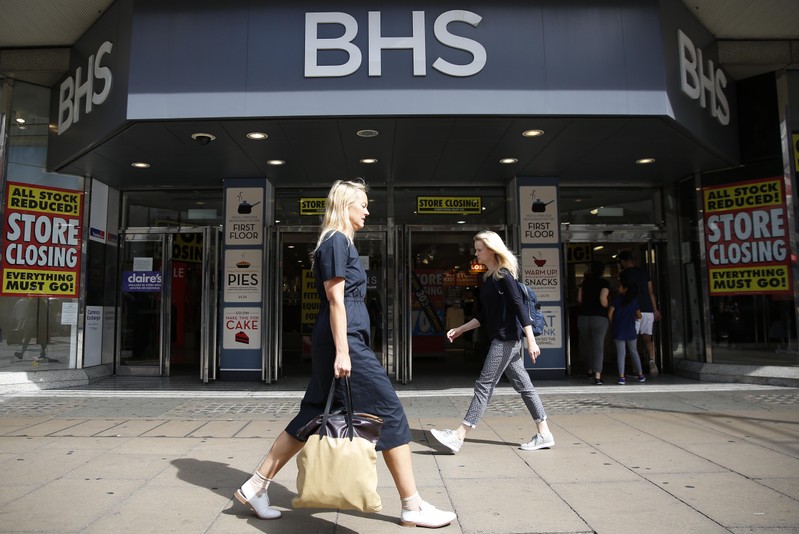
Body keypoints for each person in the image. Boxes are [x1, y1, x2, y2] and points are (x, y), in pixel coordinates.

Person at [235, 179, 456, 529]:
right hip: (346, 339)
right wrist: (344, 351)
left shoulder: (337, 242)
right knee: (391, 412)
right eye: (363, 204)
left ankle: (255, 486)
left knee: (312, 413)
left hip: (342, 337)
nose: (368, 211)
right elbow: (336, 299)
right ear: (345, 205)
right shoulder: (336, 241)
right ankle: (412, 505)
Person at [430, 230, 554, 454]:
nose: (476, 254)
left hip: (506, 340)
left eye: (479, 250)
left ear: (492, 250)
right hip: (505, 339)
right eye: (475, 249)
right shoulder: (488, 278)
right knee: (525, 387)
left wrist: (532, 341)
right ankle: (544, 433)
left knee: (484, 386)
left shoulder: (504, 277)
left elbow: (519, 309)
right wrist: (460, 329)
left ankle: (459, 435)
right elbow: (484, 316)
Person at [617, 250, 660, 376]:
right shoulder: (644, 272)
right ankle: (652, 361)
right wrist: (655, 309)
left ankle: (636, 368)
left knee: (632, 341)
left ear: (624, 261)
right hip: (648, 309)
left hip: (633, 310)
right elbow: (651, 291)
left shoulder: (624, 274)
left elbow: (623, 292)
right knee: (647, 339)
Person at [577, 261, 610, 385]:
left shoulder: (584, 283)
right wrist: (607, 306)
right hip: (599, 317)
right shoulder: (604, 283)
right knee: (598, 346)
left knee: (587, 345)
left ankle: (589, 370)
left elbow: (579, 299)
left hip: (583, 317)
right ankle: (597, 375)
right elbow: (603, 300)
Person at [608, 278, 645, 385]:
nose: (618, 288)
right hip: (630, 329)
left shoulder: (616, 299)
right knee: (634, 351)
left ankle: (621, 377)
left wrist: (612, 324)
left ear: (625, 288)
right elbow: (639, 316)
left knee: (621, 353)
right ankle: (641, 375)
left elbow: (610, 313)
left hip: (618, 329)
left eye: (619, 286)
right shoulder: (634, 301)